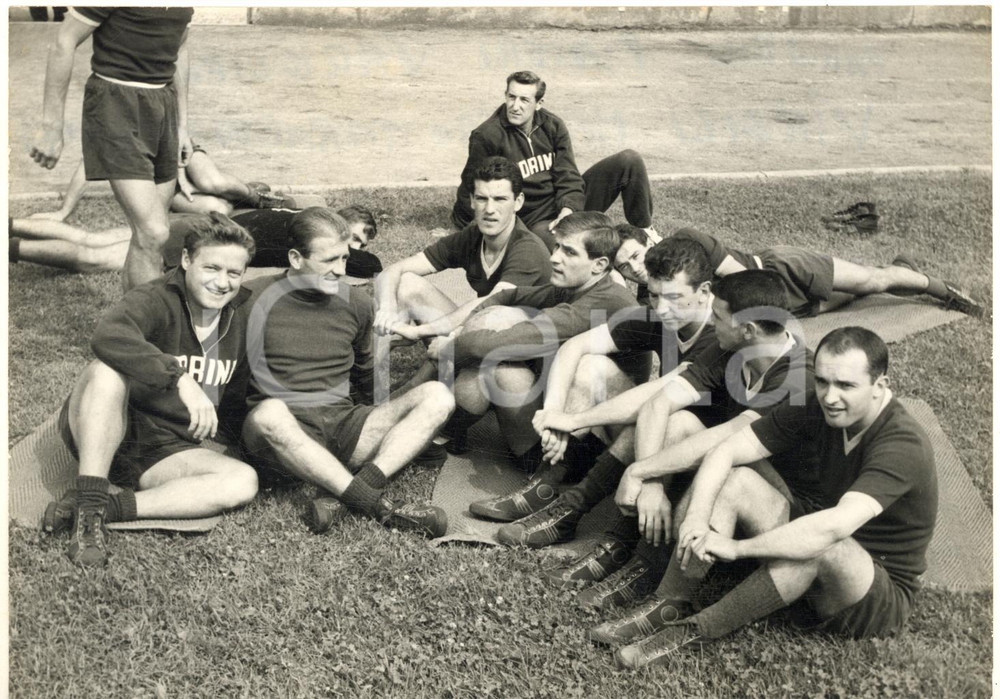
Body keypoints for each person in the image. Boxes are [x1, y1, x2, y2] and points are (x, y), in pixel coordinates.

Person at [606, 327, 937, 669]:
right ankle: (670, 599)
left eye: (846, 386)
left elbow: (833, 528)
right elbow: (727, 450)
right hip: (817, 547)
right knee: (738, 479)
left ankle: (698, 631)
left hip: (872, 592)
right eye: (822, 381)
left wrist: (737, 548)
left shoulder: (902, 444)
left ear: (880, 385)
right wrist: (696, 516)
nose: (830, 396)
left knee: (820, 541)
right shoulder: (816, 402)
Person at [43, 213, 261, 567]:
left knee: (242, 481)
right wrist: (179, 378)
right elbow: (109, 335)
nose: (222, 282)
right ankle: (88, 515)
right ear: (187, 260)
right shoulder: (156, 297)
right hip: (107, 424)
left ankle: (98, 509)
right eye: (212, 268)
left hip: (162, 447)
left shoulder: (243, 316)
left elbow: (242, 393)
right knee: (106, 372)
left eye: (234, 273)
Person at [239, 208, 453, 538]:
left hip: (341, 426)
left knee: (438, 396)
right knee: (270, 413)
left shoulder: (357, 304)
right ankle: (378, 505)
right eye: (329, 261)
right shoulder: (250, 299)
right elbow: (226, 375)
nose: (341, 270)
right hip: (278, 438)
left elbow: (366, 376)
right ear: (296, 258)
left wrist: (391, 419)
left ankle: (346, 493)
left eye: (345, 258)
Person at [486, 236, 717, 541]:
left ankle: (573, 508)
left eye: (673, 298)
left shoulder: (723, 333)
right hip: (659, 433)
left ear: (704, 292)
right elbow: (575, 346)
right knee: (591, 365)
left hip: (706, 456)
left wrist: (575, 420)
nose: (661, 308)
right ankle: (547, 481)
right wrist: (554, 411)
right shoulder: (664, 316)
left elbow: (659, 394)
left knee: (661, 413)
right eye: (654, 295)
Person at [433, 212, 639, 514]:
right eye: (556, 247)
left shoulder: (607, 300)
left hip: (609, 440)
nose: (554, 258)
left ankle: (547, 484)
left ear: (600, 265)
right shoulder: (572, 285)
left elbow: (506, 340)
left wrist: (450, 345)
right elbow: (510, 294)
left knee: (587, 364)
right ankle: (444, 432)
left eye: (568, 252)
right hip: (565, 432)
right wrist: (468, 327)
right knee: (496, 361)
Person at [30, 7, 195, 290]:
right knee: (153, 232)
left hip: (162, 104)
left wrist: (182, 126)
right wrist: (51, 126)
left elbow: (180, 48)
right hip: (115, 102)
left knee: (149, 235)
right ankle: (149, 328)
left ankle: (129, 324)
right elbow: (63, 41)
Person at [451, 71, 655, 251]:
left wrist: (568, 210)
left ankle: (646, 232)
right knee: (571, 248)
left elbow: (568, 175)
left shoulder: (553, 125)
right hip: (534, 219)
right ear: (505, 96)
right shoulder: (487, 136)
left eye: (524, 100)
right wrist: (464, 226)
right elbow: (473, 186)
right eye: (511, 97)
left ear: (539, 103)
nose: (515, 106)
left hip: (563, 205)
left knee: (629, 160)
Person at [375, 156, 551, 343]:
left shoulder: (527, 250)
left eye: (500, 199)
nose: (490, 209)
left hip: (525, 346)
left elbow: (489, 304)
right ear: (472, 201)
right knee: (406, 282)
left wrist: (421, 331)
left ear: (518, 202)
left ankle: (444, 359)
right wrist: (388, 309)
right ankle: (373, 363)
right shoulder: (472, 236)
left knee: (491, 319)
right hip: (483, 328)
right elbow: (394, 270)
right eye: (482, 199)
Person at [665, 227, 984, 319]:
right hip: (770, 305)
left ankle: (943, 289)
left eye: (635, 257)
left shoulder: (687, 239)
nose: (634, 269)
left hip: (781, 271)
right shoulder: (657, 286)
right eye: (626, 266)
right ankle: (901, 270)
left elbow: (747, 282)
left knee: (872, 280)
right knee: (858, 294)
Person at [9, 205, 383, 278]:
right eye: (352, 239)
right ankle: (12, 249)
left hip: (201, 223)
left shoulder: (303, 215)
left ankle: (10, 224)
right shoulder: (312, 231)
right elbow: (372, 266)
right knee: (95, 258)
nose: (352, 252)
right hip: (203, 233)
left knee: (92, 239)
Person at [29, 153, 291, 222]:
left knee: (212, 181)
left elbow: (176, 139)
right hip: (162, 183)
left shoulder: (156, 94)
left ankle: (256, 196)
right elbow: (88, 162)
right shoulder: (113, 122)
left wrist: (185, 179)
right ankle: (237, 193)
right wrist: (64, 211)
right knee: (217, 208)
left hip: (181, 156)